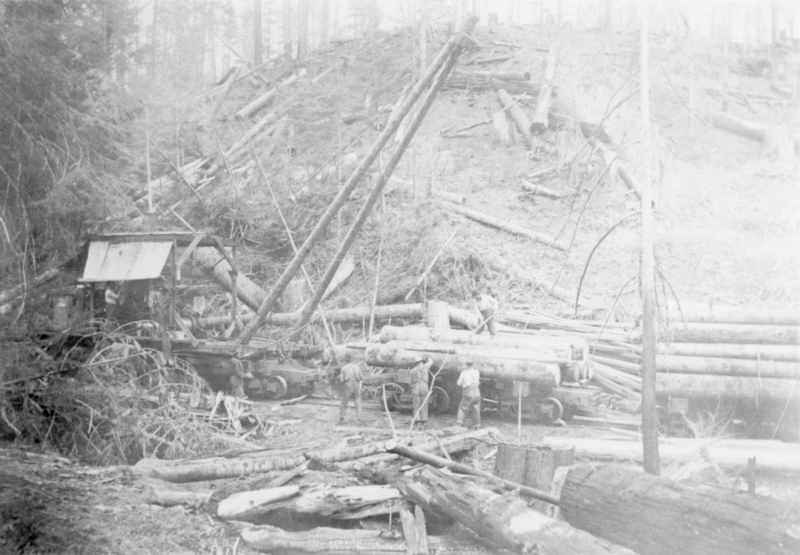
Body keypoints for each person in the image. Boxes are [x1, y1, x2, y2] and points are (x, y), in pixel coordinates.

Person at [409, 356, 433, 430]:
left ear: (416, 363)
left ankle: (418, 422)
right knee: (424, 405)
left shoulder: (412, 371)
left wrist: (413, 387)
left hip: (416, 387)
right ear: (422, 362)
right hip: (424, 387)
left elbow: (409, 382)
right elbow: (431, 361)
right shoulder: (425, 367)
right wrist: (427, 356)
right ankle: (424, 422)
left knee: (416, 406)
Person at [338, 357, 365, 424]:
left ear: (345, 360)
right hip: (356, 384)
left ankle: (342, 419)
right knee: (358, 402)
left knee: (343, 403)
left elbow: (342, 380)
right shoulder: (357, 367)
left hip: (348, 385)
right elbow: (362, 377)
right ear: (351, 360)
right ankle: (359, 419)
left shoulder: (344, 368)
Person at [456, 360, 481, 429]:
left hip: (469, 392)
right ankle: (477, 425)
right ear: (473, 365)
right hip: (477, 393)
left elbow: (458, 383)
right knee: (476, 408)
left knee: (462, 407)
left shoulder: (464, 372)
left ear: (466, 365)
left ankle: (459, 424)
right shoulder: (477, 372)